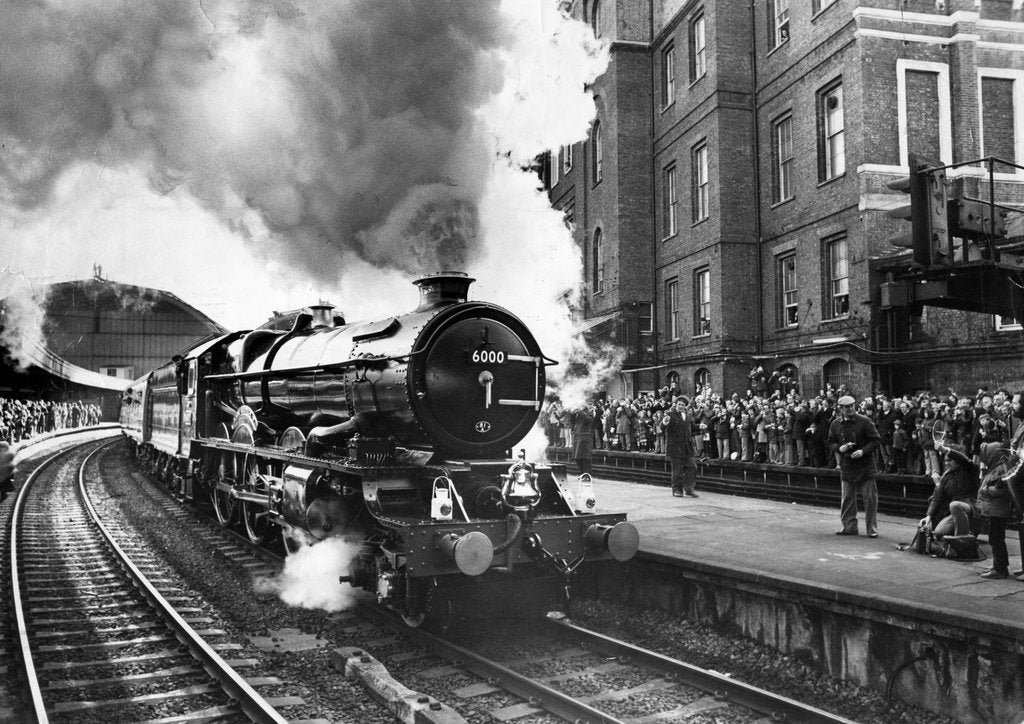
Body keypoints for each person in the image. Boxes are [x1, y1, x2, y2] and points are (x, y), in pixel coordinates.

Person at [828, 394, 882, 537]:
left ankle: (872, 529)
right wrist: (839, 448)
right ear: (840, 408)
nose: (851, 409)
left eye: (852, 406)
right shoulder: (835, 424)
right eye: (847, 407)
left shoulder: (865, 421)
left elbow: (876, 440)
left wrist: (863, 451)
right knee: (847, 498)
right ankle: (849, 527)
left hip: (865, 465)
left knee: (870, 499)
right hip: (847, 465)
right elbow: (830, 441)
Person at [919, 443, 978, 539]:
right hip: (953, 511)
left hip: (971, 510)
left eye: (950, 460)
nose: (947, 463)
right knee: (938, 532)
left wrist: (945, 450)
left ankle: (962, 539)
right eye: (946, 460)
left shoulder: (970, 470)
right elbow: (937, 496)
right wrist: (928, 516)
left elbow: (964, 460)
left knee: (955, 505)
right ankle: (957, 533)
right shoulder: (946, 476)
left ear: (958, 461)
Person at [976, 445, 1016, 579]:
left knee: (996, 539)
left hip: (998, 510)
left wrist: (987, 490)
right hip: (995, 509)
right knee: (995, 538)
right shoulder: (996, 468)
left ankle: (1000, 569)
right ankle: (998, 565)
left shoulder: (1001, 469)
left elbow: (1003, 490)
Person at [665, 397, 697, 498]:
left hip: (687, 445)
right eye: (679, 404)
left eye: (683, 405)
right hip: (675, 446)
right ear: (676, 404)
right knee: (677, 470)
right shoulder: (670, 414)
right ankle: (677, 490)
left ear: (685, 406)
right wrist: (664, 422)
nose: (680, 406)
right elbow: (663, 426)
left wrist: (700, 426)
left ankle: (689, 489)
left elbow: (693, 427)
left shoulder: (688, 415)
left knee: (692, 466)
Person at [571, 405, 595, 477]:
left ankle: (587, 474)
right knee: (577, 457)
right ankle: (582, 473)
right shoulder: (578, 414)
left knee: (586, 458)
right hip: (577, 437)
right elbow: (572, 421)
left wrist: (580, 412)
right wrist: (573, 413)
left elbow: (589, 420)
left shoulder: (589, 413)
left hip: (585, 438)